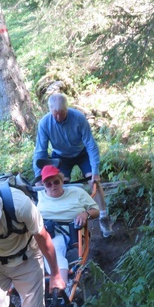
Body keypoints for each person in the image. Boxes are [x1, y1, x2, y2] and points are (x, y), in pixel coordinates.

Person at [32, 92, 113, 237]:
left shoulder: (78, 118)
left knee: (93, 182)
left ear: (67, 109)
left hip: (82, 153)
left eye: (61, 113)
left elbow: (91, 144)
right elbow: (40, 151)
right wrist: (39, 176)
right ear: (50, 110)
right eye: (55, 114)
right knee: (60, 186)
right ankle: (66, 221)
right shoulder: (45, 123)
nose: (58, 117)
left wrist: (95, 171)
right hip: (60, 156)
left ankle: (103, 216)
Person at [35, 165, 99, 291]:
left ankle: (62, 285)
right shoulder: (39, 196)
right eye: (48, 184)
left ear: (62, 181)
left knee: (54, 248)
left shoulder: (77, 192)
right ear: (43, 185)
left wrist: (85, 214)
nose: (53, 186)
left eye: (56, 182)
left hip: (66, 231)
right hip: (43, 229)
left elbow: (95, 210)